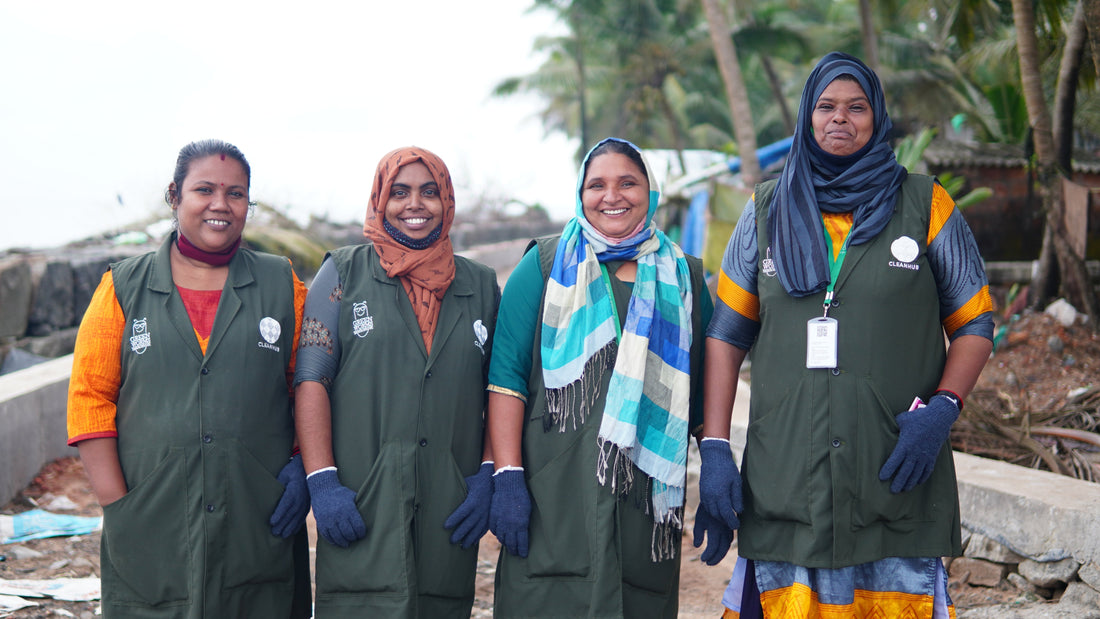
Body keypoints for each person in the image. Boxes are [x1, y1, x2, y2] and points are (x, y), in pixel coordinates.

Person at [696, 51, 995, 618]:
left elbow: (975, 322)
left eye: (856, 107)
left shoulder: (926, 204)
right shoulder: (764, 211)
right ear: (806, 116)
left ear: (876, 117)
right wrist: (714, 448)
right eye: (826, 106)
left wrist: (942, 409)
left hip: (892, 472)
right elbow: (726, 335)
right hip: (786, 479)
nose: (841, 118)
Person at [66, 139, 312, 618]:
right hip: (150, 515)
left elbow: (308, 386)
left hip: (257, 513)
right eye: (205, 190)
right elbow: (89, 398)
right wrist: (121, 510)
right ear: (175, 197)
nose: (221, 204)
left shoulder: (283, 284)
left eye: (236, 193)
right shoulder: (121, 287)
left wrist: (301, 467)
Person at [487, 137, 713, 618]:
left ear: (649, 192)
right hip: (554, 488)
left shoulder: (685, 275)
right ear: (580, 193)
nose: (612, 196)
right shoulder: (544, 266)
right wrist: (508, 477)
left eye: (628, 182)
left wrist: (715, 463)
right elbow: (505, 377)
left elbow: (703, 388)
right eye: (597, 185)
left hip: (644, 494)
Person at [293, 146, 499, 618]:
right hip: (363, 495)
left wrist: (488, 475)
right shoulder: (342, 273)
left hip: (447, 499)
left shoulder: (482, 286)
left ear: (447, 201)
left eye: (430, 192)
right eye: (399, 192)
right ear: (379, 200)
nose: (415, 205)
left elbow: (501, 390)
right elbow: (310, 378)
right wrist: (323, 482)